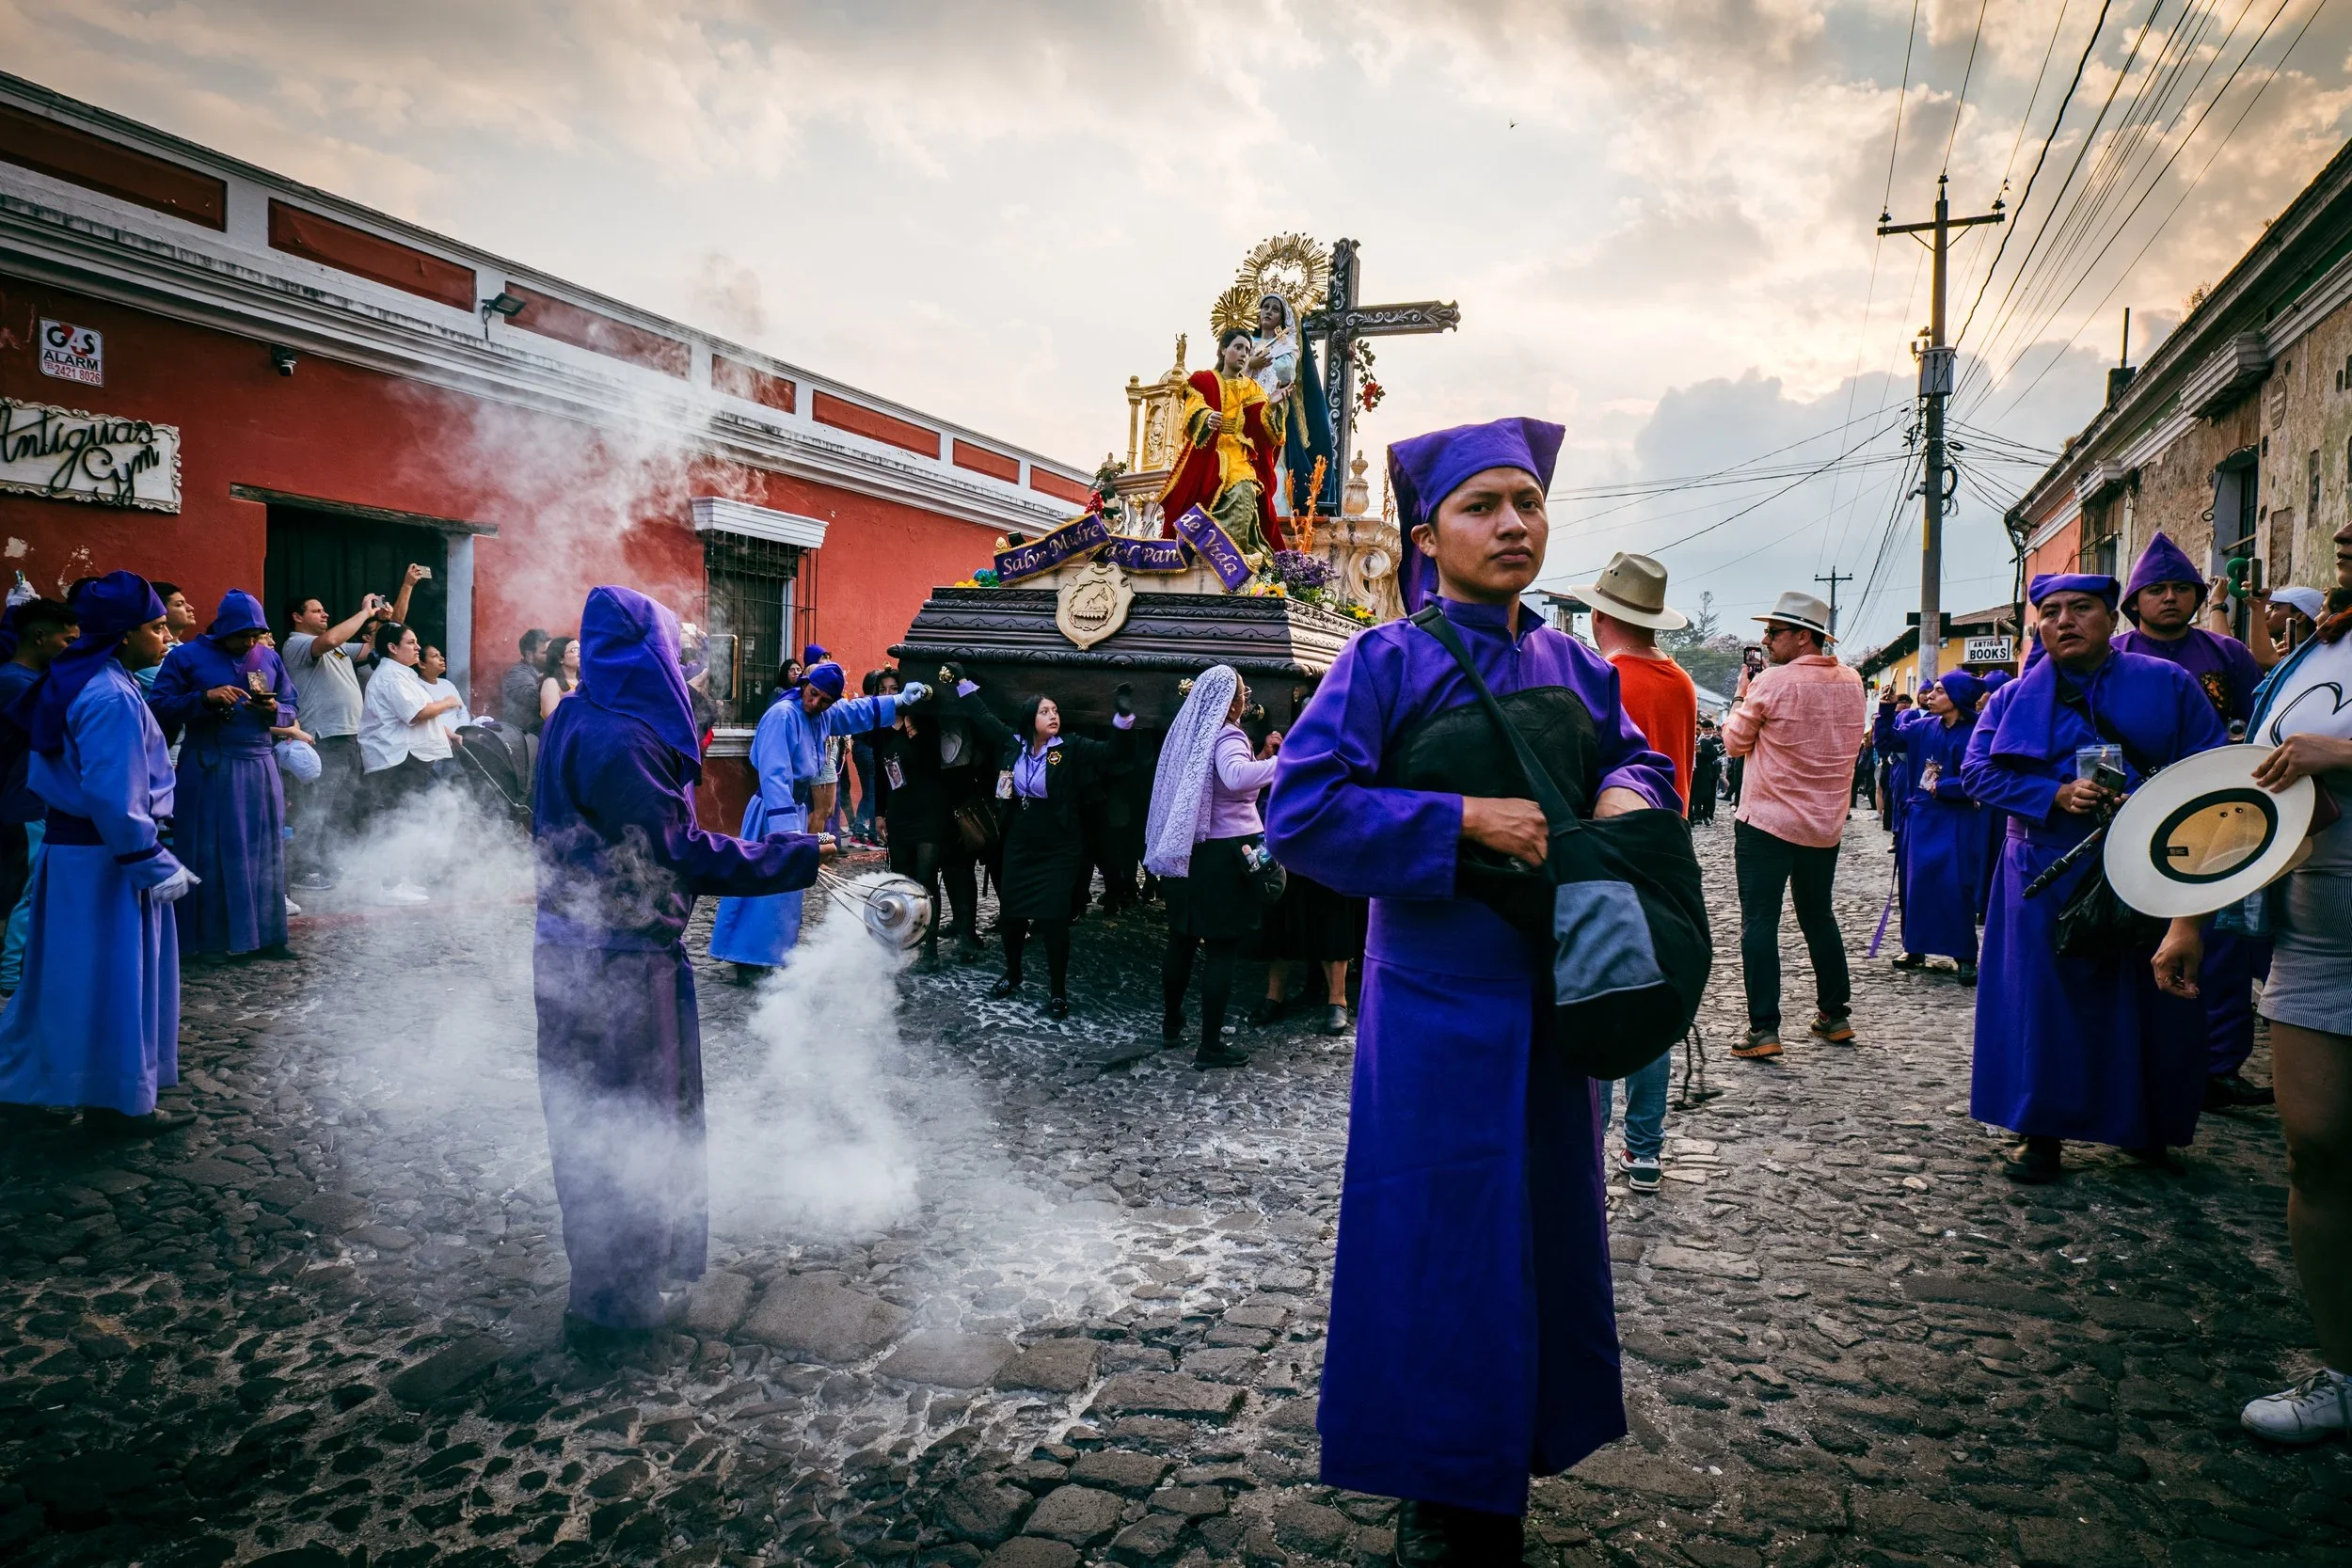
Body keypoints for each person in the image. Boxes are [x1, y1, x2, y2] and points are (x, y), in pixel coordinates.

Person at [1266, 417, 1677, 1559]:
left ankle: (1526, 1444)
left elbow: (1633, 758)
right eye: (1481, 507)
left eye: (1526, 505)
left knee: (1544, 1223)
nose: (1510, 524)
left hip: (1560, 990)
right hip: (1437, 1000)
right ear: (1426, 535)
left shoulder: (1573, 665)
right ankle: (1439, 1482)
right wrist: (1455, 818)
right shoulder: (1382, 662)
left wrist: (1628, 796)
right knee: (1439, 1234)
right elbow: (1298, 811)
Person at [532, 585, 836, 1350]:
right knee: (634, 1123)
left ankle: (600, 1288)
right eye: (669, 649)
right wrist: (797, 851)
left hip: (570, 952)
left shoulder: (577, 709)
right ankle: (617, 1305)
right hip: (624, 966)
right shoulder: (626, 742)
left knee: (590, 1123)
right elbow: (677, 852)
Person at [1962, 573, 2225, 1184]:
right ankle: (2041, 1132)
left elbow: (2209, 767)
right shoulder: (2009, 700)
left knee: (2143, 997)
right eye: (2050, 612)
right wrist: (2052, 791)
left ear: (2112, 618)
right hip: (2043, 869)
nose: (2064, 621)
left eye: (2081, 608)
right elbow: (1978, 773)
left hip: (2148, 861)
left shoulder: (2168, 685)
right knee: (2046, 1006)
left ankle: (2146, 1124)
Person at [0, 573, 195, 1133]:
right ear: (122, 634)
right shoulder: (107, 694)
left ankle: (26, 1086)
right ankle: (112, 1100)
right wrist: (150, 861)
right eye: (157, 628)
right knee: (113, 978)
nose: (165, 638)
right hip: (107, 860)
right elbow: (115, 792)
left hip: (76, 855)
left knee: (64, 977)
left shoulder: (80, 678)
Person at [2235, 517, 2352, 1442]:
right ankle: (2343, 1372)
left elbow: (2313, 760)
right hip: (2314, 937)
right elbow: (2241, 784)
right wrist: (2188, 913)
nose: (2343, 528)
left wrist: (2340, 755)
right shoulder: (2319, 650)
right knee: (2314, 1148)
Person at [2111, 531, 2270, 1109]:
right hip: (2133, 809)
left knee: (2218, 937)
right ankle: (2141, 1062)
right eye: (2157, 589)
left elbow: (2258, 721)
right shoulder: (2117, 657)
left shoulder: (2225, 655)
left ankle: (2219, 1064)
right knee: (2135, 939)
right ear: (2135, 601)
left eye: (2182, 588)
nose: (2171, 598)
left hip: (2214, 809)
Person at [1571, 551, 1696, 1193]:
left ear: (1600, 617)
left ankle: (1587, 1148)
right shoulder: (1680, 682)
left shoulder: (1595, 677)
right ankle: (1645, 1149)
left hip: (1606, 852)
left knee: (1597, 994)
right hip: (1665, 850)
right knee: (1651, 999)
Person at [1720, 591, 1867, 1059]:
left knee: (1759, 922)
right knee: (1818, 915)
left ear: (1803, 637)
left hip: (1767, 821)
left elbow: (1734, 744)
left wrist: (1744, 692)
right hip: (1823, 824)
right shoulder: (1853, 681)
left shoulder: (1773, 683)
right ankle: (1834, 1013)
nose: (1765, 640)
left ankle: (1764, 1028)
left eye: (1774, 632)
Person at [707, 660, 921, 982]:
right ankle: (748, 959)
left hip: (791, 809)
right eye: (813, 694)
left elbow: (855, 712)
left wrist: (898, 701)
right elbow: (775, 776)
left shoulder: (823, 713)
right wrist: (787, 836)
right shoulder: (783, 716)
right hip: (772, 814)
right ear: (804, 685)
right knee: (764, 885)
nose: (816, 703)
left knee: (783, 891)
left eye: (824, 700)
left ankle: (771, 954)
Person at [148, 590, 296, 959]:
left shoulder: (270, 657)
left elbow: (292, 707)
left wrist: (274, 710)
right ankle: (209, 942)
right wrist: (204, 699)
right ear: (223, 629)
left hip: (261, 764)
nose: (248, 642)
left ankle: (267, 938)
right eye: (241, 634)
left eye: (254, 634)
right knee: (212, 851)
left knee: (265, 850)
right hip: (210, 766)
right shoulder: (185, 657)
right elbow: (158, 707)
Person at [976, 687, 1136, 1017]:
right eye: (1045, 711)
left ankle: (1058, 991)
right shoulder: (1014, 744)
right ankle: (1013, 972)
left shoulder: (1070, 747)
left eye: (1056, 711)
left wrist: (1122, 719)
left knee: (1053, 920)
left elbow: (1112, 754)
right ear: (1029, 718)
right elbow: (983, 718)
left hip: (1058, 847)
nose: (1053, 716)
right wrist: (960, 683)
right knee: (1012, 914)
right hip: (1020, 842)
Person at [1148, 666, 1278, 1068]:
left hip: (1192, 850)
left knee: (1182, 940)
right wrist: (1285, 764)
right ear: (1232, 702)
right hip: (1227, 853)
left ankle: (1172, 1025)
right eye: (1245, 691)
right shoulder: (1228, 734)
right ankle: (1210, 1045)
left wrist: (1262, 759)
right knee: (1222, 949)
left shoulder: (1194, 737)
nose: (1247, 697)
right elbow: (1236, 777)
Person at [1881, 673, 1988, 981]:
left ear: (1956, 697)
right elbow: (1889, 741)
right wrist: (1887, 709)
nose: (1931, 696)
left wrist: (1947, 787)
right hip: (1921, 817)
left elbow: (1982, 775)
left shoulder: (1977, 733)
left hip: (1957, 819)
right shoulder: (1922, 726)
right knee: (1916, 886)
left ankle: (1964, 954)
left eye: (1940, 691)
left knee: (1956, 886)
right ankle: (1914, 947)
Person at [281, 590, 390, 891]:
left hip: (348, 736)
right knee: (314, 807)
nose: (324, 614)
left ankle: (326, 863)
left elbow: (372, 649)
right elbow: (329, 640)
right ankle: (303, 870)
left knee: (337, 807)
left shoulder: (339, 649)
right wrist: (365, 613)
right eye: (317, 611)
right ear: (297, 617)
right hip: (323, 737)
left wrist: (379, 621)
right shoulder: (297, 644)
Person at [0, 598, 79, 996]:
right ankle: (12, 976)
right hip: (26, 799)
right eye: (67, 640)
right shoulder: (17, 684)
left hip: (31, 797)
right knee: (33, 890)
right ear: (39, 637)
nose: (73, 648)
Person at [1156, 326, 1292, 560]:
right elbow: (1194, 407)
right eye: (1238, 347)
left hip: (1239, 454)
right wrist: (1206, 417)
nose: (1243, 354)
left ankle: (1234, 557)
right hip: (1210, 452)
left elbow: (1263, 428)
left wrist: (1272, 407)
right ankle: (1205, 554)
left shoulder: (1251, 388)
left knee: (1244, 490)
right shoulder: (1204, 379)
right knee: (1198, 498)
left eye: (1247, 350)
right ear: (1222, 350)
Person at [356, 621, 460, 905]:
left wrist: (446, 731)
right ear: (392, 648)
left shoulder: (403, 675)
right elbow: (415, 714)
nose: (417, 648)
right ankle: (389, 886)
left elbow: (418, 713)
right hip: (395, 758)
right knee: (395, 819)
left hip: (406, 757)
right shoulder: (391, 676)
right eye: (410, 643)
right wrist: (449, 702)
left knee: (406, 817)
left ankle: (400, 879)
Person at [502, 628, 550, 734]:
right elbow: (532, 699)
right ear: (530, 655)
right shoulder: (518, 673)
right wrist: (552, 678)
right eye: (545, 652)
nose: (551, 655)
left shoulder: (544, 669)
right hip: (526, 734)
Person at [540, 634, 580, 721]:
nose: (580, 654)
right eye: (574, 650)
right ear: (560, 659)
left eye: (580, 649)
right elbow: (552, 719)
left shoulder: (582, 680)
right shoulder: (551, 683)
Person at [1690, 721, 1724, 825]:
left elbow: (1714, 756)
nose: (1707, 731)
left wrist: (1701, 753)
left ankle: (1707, 814)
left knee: (1708, 795)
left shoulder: (1711, 741)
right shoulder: (1696, 740)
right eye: (1705, 729)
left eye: (1709, 729)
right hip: (1697, 772)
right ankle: (1697, 815)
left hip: (1710, 772)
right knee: (1697, 795)